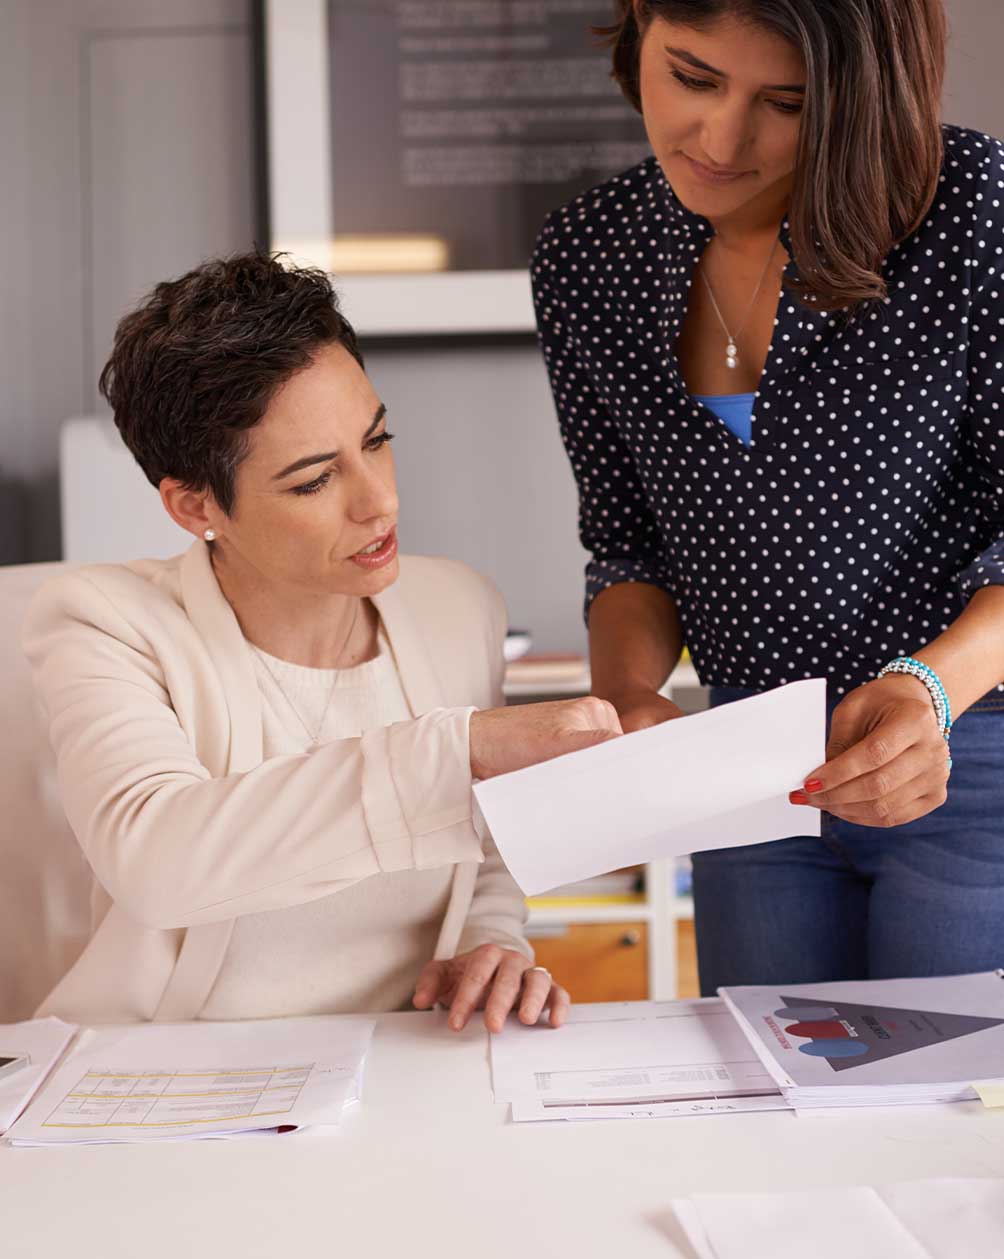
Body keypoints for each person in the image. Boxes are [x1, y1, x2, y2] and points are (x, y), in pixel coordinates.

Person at [533, 0, 1004, 992]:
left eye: (783, 101)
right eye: (691, 77)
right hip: (748, 765)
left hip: (969, 751)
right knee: (762, 1117)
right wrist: (627, 696)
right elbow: (626, 549)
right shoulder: (588, 255)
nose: (717, 139)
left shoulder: (971, 210)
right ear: (637, 36)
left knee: (951, 1116)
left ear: (855, 98)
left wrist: (930, 687)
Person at [23, 252, 623, 1027]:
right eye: (314, 480)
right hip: (169, 1078)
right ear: (194, 504)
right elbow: (156, 860)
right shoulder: (102, 620)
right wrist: (456, 751)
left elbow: (487, 850)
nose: (381, 501)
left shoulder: (457, 605)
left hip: (400, 1070)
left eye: (377, 440)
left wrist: (489, 941)